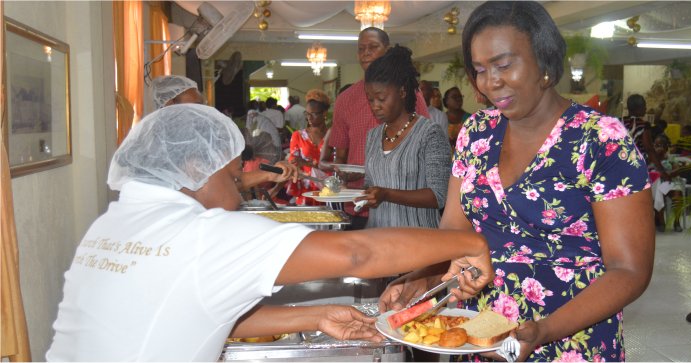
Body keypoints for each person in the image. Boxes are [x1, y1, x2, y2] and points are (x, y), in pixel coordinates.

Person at [46, 104, 495, 361]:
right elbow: (358, 253)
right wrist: (469, 242)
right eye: (232, 173)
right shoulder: (203, 234)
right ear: (193, 169)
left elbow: (198, 308)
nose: (240, 184)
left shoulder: (112, 224)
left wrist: (314, 317)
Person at [379, 2, 654, 362]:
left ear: (544, 60)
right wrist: (423, 281)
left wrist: (543, 330)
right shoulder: (476, 134)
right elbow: (453, 238)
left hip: (571, 342)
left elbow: (630, 270)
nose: (490, 82)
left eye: (503, 65)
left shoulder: (601, 139)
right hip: (482, 337)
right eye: (479, 70)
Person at [356, 45, 451, 228]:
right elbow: (371, 184)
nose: (375, 106)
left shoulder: (430, 133)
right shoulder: (373, 136)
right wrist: (354, 193)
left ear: (401, 92)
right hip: (377, 237)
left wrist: (387, 194)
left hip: (417, 241)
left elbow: (439, 195)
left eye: (381, 99)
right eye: (370, 99)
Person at [150, 75, 296, 189]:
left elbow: (227, 182)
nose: (202, 112)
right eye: (196, 106)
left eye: (203, 106)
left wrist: (269, 174)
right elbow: (217, 187)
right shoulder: (157, 146)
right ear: (169, 105)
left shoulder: (198, 138)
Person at [328, 27, 430, 169]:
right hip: (357, 187)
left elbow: (426, 139)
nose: (366, 53)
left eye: (373, 47)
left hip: (399, 186)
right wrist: (341, 181)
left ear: (386, 50)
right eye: (361, 49)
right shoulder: (345, 99)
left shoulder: (407, 91)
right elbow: (340, 155)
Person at [286, 90, 333, 206]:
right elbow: (293, 164)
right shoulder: (298, 136)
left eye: (314, 114)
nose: (309, 118)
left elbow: (337, 165)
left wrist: (307, 163)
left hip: (329, 191)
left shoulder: (333, 135)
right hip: (306, 192)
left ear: (324, 113)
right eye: (307, 114)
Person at [623, 94, 669, 182]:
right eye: (644, 105)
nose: (646, 108)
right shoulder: (643, 125)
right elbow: (649, 149)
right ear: (638, 108)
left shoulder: (619, 122)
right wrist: (662, 171)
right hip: (637, 167)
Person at [651, 134, 686, 232]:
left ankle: (677, 222)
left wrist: (667, 175)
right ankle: (662, 222)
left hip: (670, 182)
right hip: (656, 184)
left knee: (677, 194)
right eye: (656, 145)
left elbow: (677, 170)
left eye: (661, 145)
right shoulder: (651, 159)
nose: (659, 148)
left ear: (666, 147)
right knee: (658, 194)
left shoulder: (670, 158)